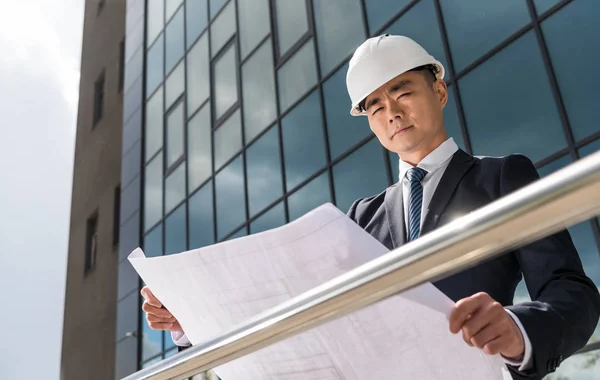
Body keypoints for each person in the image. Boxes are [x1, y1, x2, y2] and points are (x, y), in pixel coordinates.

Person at [141, 34, 600, 379]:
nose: (392, 112)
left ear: (438, 91)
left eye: (402, 91)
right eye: (375, 105)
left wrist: (518, 330)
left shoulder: (500, 176)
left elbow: (570, 290)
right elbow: (310, 321)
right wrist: (194, 323)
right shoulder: (362, 218)